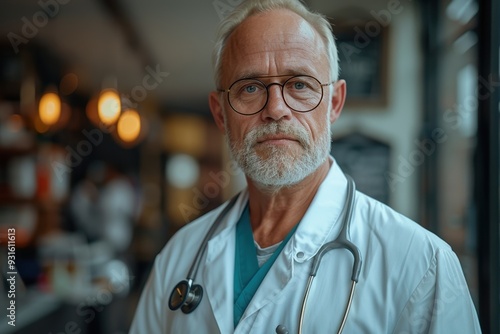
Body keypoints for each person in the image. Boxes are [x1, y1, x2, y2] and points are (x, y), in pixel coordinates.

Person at [130, 0, 481, 333]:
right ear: (221, 113)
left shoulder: (421, 265)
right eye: (250, 87)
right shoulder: (179, 256)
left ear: (334, 103)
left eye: (299, 84)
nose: (276, 109)